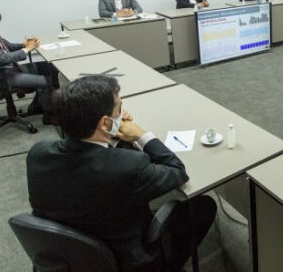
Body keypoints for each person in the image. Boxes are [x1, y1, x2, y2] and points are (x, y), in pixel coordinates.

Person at [26, 75, 216, 272]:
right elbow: (176, 172)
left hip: (66, 255)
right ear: (105, 123)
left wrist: (110, 138)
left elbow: (97, 164)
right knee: (203, 206)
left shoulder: (37, 153)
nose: (123, 113)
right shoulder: (128, 166)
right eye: (119, 108)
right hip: (124, 261)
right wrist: (142, 135)